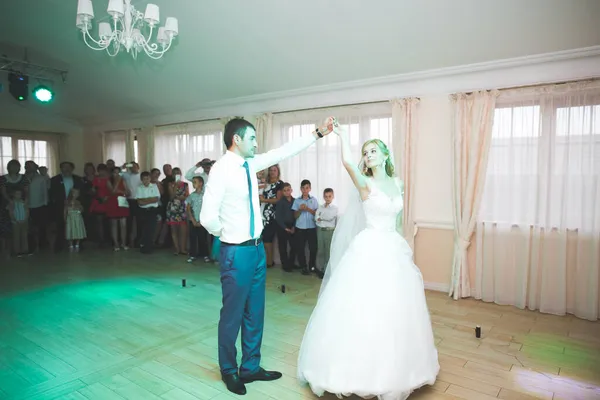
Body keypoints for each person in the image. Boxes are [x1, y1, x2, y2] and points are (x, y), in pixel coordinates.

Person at [296, 120, 439, 400]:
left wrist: (402, 247)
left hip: (393, 248)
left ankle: (398, 367)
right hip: (369, 247)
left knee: (396, 308)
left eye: (374, 150)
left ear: (385, 155)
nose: (369, 155)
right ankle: (355, 369)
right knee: (364, 305)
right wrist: (343, 134)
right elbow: (348, 162)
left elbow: (396, 219)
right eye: (366, 152)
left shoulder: (398, 183)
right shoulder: (365, 184)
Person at [200, 117, 334, 395]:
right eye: (251, 138)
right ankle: (228, 369)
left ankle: (250, 367)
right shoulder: (221, 170)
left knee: (255, 311)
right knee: (232, 315)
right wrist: (229, 234)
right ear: (236, 139)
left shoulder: (250, 164)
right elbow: (207, 217)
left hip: (258, 250)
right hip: (236, 251)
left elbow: (284, 151)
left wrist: (317, 133)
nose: (256, 143)